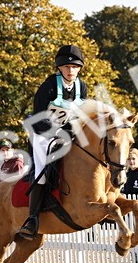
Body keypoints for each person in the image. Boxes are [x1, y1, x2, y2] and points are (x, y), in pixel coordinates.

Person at [17, 45, 91, 240]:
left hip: (67, 132)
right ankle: (32, 219)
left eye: (75, 67)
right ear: (59, 68)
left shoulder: (81, 87)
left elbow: (81, 114)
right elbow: (39, 117)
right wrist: (57, 132)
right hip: (42, 133)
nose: (71, 71)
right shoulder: (49, 86)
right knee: (41, 171)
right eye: (67, 67)